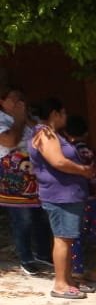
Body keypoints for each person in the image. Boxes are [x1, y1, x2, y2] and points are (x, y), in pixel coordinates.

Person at [27, 97, 95, 300]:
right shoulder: (45, 133)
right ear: (55, 114)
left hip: (68, 194)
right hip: (60, 195)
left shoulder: (52, 134)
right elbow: (57, 161)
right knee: (62, 238)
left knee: (67, 237)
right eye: (63, 113)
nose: (66, 117)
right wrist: (82, 170)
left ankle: (69, 280)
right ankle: (60, 284)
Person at [0, 85, 54, 275]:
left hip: (36, 173)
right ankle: (25, 258)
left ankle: (43, 254)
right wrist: (19, 119)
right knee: (22, 218)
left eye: (21, 99)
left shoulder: (31, 119)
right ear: (2, 102)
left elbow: (44, 137)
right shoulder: (2, 119)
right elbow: (10, 141)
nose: (18, 103)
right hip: (13, 175)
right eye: (13, 99)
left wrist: (27, 118)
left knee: (41, 215)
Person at [65, 115, 96, 283]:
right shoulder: (93, 152)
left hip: (80, 198)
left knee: (75, 234)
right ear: (87, 133)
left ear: (67, 134)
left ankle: (77, 270)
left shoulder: (69, 152)